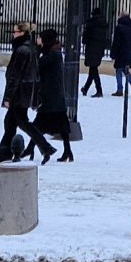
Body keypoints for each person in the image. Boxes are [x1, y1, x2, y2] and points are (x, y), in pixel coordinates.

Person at [30, 26, 77, 162]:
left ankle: (31, 148)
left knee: (38, 125)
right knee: (60, 126)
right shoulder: (53, 53)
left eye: (40, 38)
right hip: (53, 96)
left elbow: (38, 65)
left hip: (51, 97)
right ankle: (67, 151)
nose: (39, 40)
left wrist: (38, 49)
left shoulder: (53, 55)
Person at [0, 25, 37, 163]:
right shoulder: (26, 47)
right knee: (11, 122)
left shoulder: (22, 50)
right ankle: (5, 150)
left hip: (19, 93)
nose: (13, 34)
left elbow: (15, 75)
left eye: (16, 31)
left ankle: (6, 151)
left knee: (15, 122)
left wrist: (8, 97)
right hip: (23, 92)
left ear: (22, 33)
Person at [112, 10, 131, 97]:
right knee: (125, 69)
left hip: (121, 52)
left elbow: (116, 42)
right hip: (129, 51)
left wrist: (113, 53)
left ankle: (120, 89)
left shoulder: (119, 27)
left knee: (118, 70)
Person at [82, 7, 110, 97]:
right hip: (99, 49)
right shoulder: (103, 25)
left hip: (91, 49)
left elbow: (85, 38)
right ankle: (85, 88)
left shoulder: (91, 24)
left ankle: (99, 90)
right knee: (93, 69)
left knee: (94, 70)